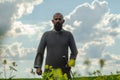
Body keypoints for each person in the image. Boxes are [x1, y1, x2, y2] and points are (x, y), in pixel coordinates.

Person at [34, 12, 78, 79]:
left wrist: (70, 63)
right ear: (52, 21)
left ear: (63, 21)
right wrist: (38, 67)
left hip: (64, 71)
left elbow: (74, 52)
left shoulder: (68, 35)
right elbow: (40, 51)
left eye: (59, 19)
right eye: (56, 19)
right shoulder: (46, 35)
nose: (58, 20)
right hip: (49, 70)